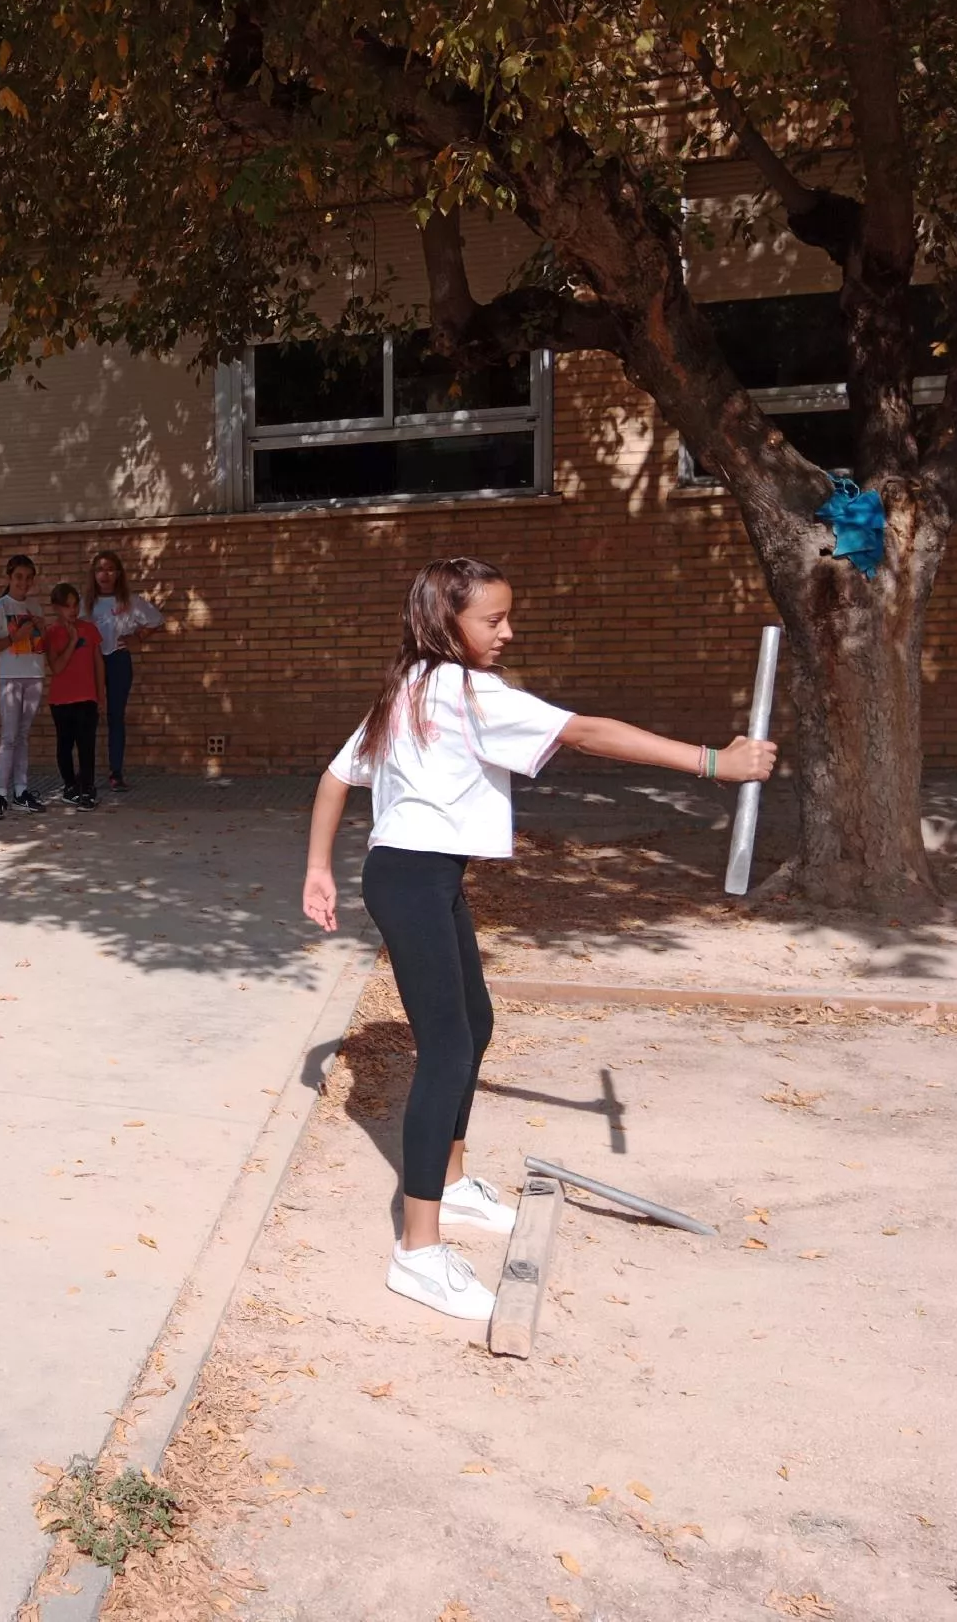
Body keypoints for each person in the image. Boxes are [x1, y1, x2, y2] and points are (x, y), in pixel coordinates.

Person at [302, 556, 777, 1321]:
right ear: (444, 622)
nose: (508, 632)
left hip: (420, 875)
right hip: (412, 879)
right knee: (448, 1050)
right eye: (493, 619)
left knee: (474, 1026)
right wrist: (712, 762)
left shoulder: (409, 688)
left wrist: (318, 870)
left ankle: (451, 1187)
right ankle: (418, 1253)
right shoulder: (465, 690)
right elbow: (585, 732)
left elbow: (334, 777)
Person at [87, 550, 163, 793]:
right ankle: (85, 773)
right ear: (94, 574)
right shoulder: (85, 602)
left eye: (109, 569)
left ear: (118, 573)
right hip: (92, 662)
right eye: (99, 569)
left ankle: (116, 772)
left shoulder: (129, 601)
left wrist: (137, 638)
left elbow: (156, 620)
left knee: (115, 717)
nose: (104, 574)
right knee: (88, 717)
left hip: (119, 660)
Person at [0, 554, 49, 819]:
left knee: (22, 736)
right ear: (9, 577)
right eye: (19, 576)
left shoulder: (35, 607)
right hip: (10, 677)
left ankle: (21, 791)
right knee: (8, 737)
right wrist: (14, 637)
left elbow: (42, 646)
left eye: (28, 577)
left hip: (34, 676)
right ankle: (0, 794)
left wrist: (42, 631)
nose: (24, 582)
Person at [44, 582, 107, 808]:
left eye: (75, 604)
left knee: (86, 744)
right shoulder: (51, 633)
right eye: (67, 606)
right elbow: (57, 667)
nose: (72, 610)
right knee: (64, 745)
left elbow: (99, 663)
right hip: (61, 700)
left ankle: (88, 787)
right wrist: (71, 640)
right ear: (56, 608)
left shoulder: (89, 629)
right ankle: (70, 785)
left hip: (87, 697)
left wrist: (101, 695)